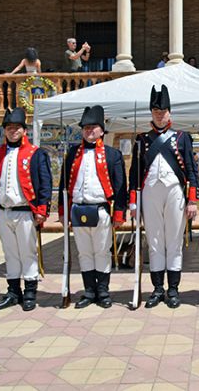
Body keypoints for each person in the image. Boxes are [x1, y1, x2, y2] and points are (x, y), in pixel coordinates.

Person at [129, 85, 199, 309]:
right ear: (151, 113)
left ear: (170, 112)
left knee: (174, 242)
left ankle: (173, 289)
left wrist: (192, 199)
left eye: (164, 111)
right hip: (149, 193)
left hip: (175, 192)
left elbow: (191, 170)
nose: (160, 115)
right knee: (155, 242)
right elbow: (135, 173)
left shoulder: (181, 137)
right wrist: (133, 201)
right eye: (156, 111)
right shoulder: (141, 139)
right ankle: (158, 289)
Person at [58, 105, 127, 309]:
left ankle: (103, 291)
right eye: (86, 128)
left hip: (101, 210)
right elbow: (63, 185)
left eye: (93, 127)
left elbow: (121, 186)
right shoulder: (72, 154)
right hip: (78, 210)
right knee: (84, 253)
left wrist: (120, 214)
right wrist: (63, 212)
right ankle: (89, 291)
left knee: (102, 252)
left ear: (101, 130)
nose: (89, 131)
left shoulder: (113, 154)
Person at [0, 107, 52, 311]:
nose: (12, 131)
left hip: (26, 211)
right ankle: (13, 291)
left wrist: (42, 209)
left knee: (28, 252)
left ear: (24, 130)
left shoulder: (36, 153)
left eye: (16, 127)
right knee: (10, 253)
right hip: (3, 211)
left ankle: (31, 292)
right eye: (9, 127)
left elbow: (45, 183)